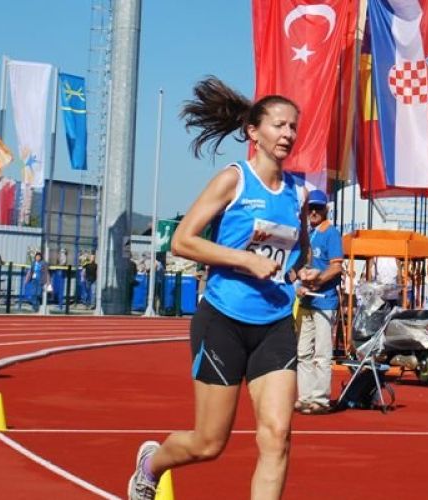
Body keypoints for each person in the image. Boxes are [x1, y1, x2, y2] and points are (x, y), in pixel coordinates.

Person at [127, 77, 319, 500]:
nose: (288, 134)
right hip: (224, 321)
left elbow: (296, 255)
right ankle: (152, 463)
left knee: (278, 436)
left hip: (274, 324)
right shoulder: (234, 180)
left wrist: (300, 274)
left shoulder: (298, 192)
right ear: (253, 132)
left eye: (293, 127)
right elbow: (183, 241)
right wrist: (246, 260)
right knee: (209, 443)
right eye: (279, 125)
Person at [295, 190, 343, 415]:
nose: (314, 212)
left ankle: (321, 399)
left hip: (324, 301)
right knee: (303, 351)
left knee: (322, 353)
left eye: (318, 208)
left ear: (326, 209)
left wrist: (317, 281)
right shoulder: (308, 233)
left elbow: (336, 266)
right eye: (311, 208)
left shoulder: (331, 233)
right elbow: (301, 264)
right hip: (307, 301)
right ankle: (305, 397)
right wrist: (300, 281)